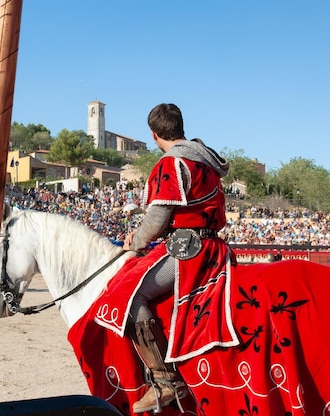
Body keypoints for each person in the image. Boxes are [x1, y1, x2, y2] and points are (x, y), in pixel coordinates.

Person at [121, 104, 232, 413]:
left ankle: (165, 380)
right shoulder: (206, 162)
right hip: (215, 249)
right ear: (180, 128)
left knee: (131, 296)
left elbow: (157, 220)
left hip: (188, 251)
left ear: (155, 135)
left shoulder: (172, 163)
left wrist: (136, 241)